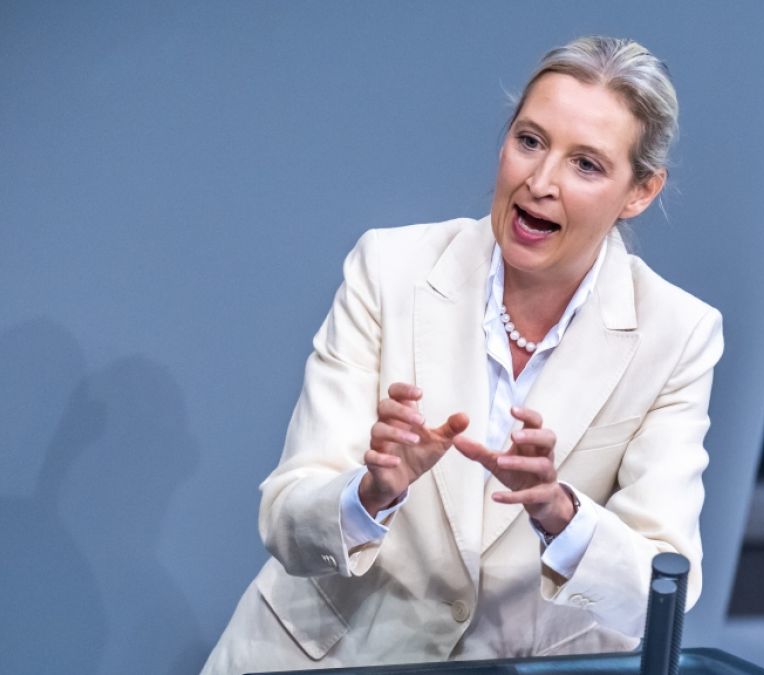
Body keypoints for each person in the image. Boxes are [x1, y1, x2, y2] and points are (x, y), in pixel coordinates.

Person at [201, 35, 723, 674]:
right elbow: (285, 517)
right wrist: (368, 496)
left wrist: (561, 516)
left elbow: (663, 589)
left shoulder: (678, 334)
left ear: (640, 191)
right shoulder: (390, 270)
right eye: (530, 141)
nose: (539, 181)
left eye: (586, 164)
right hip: (322, 658)